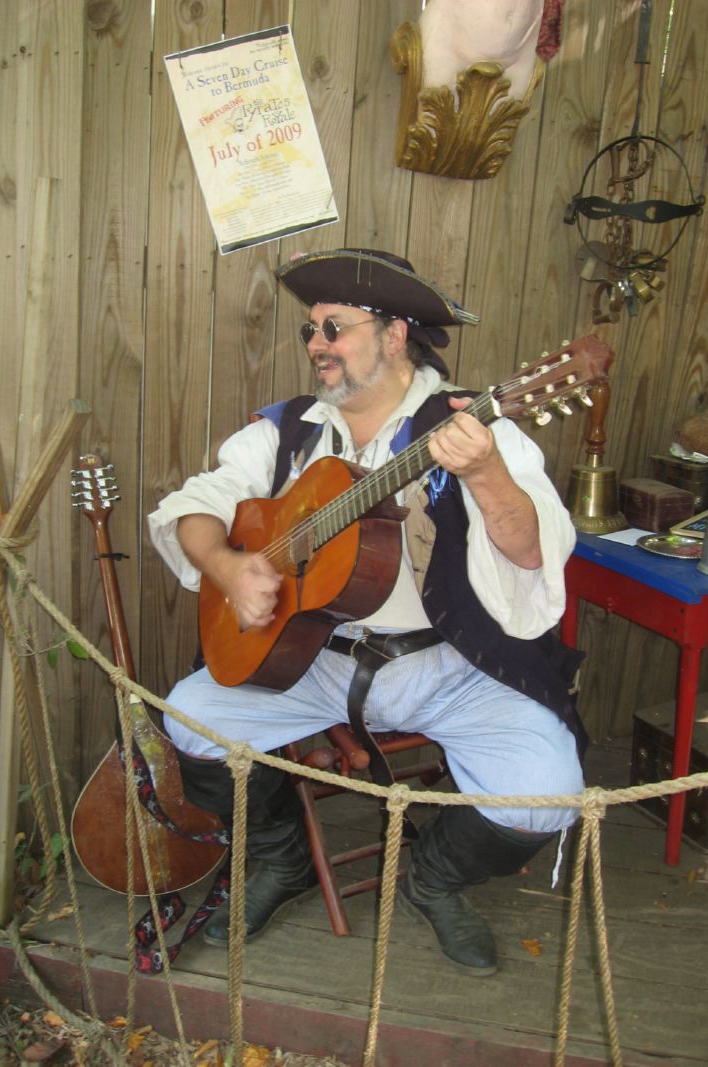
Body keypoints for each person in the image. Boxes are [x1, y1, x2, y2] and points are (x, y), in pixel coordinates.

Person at [148, 247, 586, 977]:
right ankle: (283, 862)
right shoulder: (288, 430)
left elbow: (535, 550)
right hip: (311, 660)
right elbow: (192, 507)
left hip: (452, 664)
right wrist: (229, 567)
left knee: (547, 794)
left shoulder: (474, 427)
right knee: (191, 719)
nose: (316, 344)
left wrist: (484, 472)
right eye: (311, 329)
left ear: (394, 334)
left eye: (335, 328)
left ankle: (432, 880)